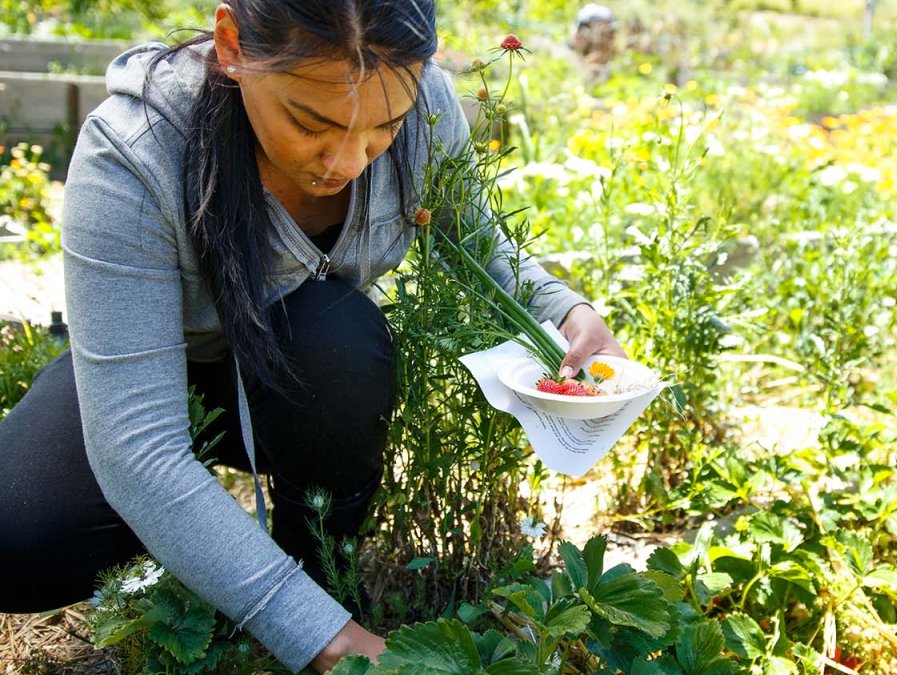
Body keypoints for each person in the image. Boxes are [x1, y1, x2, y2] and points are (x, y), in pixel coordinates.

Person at [0, 1, 624, 672]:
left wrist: (566, 313)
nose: (348, 161)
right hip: (161, 369)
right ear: (233, 44)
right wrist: (332, 644)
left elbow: (478, 244)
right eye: (311, 122)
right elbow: (139, 450)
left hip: (309, 371)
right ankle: (217, 561)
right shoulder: (135, 150)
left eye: (382, 128)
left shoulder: (423, 110)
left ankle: (318, 566)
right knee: (19, 541)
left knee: (341, 341)